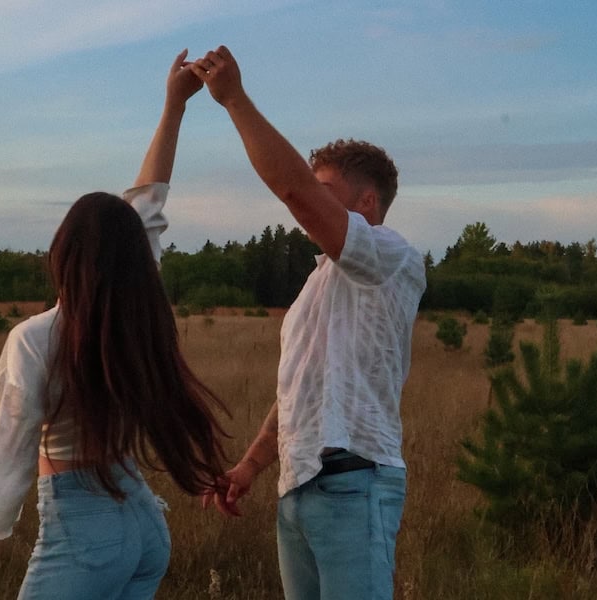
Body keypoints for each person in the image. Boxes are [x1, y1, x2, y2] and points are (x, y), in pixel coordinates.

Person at [0, 50, 229, 600]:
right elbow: (148, 205)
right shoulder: (137, 320)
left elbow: (8, 451)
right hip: (145, 528)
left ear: (64, 252)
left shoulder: (34, 340)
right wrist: (174, 106)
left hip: (84, 533)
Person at [190, 47, 426, 600]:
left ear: (366, 203)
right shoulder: (318, 285)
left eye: (328, 191)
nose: (309, 200)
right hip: (298, 488)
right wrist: (249, 467)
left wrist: (235, 100)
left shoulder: (391, 256)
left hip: (354, 481)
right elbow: (301, 388)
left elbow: (293, 191)